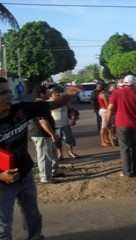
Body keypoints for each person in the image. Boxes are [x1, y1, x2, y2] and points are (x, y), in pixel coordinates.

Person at [0, 77, 80, 239]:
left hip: (25, 174)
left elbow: (54, 104)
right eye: (3, 93)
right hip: (3, 183)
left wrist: (67, 95)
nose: (9, 96)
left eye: (9, 91)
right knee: (3, 225)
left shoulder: (20, 110)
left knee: (33, 215)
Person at [107, 75, 136, 178]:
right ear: (134, 84)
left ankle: (127, 172)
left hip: (122, 124)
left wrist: (108, 121)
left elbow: (110, 108)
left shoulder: (116, 93)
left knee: (125, 149)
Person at [29, 85, 62, 184]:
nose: (49, 93)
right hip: (41, 135)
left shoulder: (43, 104)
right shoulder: (38, 106)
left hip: (47, 134)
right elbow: (43, 122)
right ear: (42, 94)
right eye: (47, 92)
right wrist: (53, 134)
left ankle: (53, 172)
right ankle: (45, 178)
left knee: (52, 154)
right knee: (44, 156)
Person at [49, 87, 79, 160]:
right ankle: (60, 154)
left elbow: (71, 110)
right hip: (55, 126)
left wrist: (73, 118)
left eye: (58, 92)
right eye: (55, 92)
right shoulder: (48, 103)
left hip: (65, 124)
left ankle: (70, 152)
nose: (57, 93)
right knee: (57, 141)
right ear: (51, 95)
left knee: (69, 139)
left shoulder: (63, 102)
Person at [97, 82, 112, 147]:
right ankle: (103, 141)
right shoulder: (103, 94)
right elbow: (107, 104)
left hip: (103, 110)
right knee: (103, 127)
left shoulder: (101, 94)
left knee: (105, 127)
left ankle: (106, 139)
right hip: (104, 110)